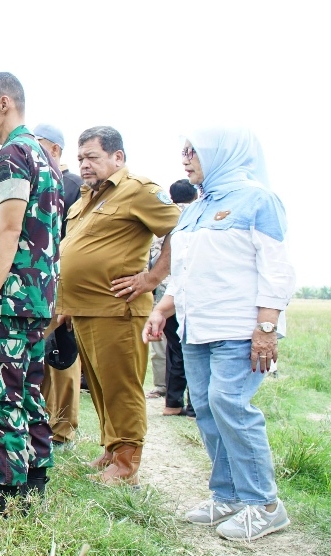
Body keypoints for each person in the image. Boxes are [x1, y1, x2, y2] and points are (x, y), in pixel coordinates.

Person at [144, 127, 295, 541]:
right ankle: (227, 496)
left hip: (239, 327)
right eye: (184, 151)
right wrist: (162, 308)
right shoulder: (196, 207)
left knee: (230, 403)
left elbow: (277, 268)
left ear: (222, 153)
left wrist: (266, 327)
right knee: (208, 409)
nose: (186, 158)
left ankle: (264, 504)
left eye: (195, 151)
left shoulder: (258, 200)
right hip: (197, 327)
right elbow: (184, 271)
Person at [56, 126, 180, 486]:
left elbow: (181, 230)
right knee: (99, 386)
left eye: (92, 157)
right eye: (80, 158)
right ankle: (111, 449)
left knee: (122, 388)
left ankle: (127, 463)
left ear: (117, 157)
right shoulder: (85, 199)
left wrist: (152, 279)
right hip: (84, 309)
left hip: (119, 309)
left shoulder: (137, 190)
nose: (85, 165)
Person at [0, 72, 63, 515]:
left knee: (0, 394)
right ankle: (35, 475)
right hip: (38, 299)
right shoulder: (45, 156)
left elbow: (10, 226)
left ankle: (5, 494)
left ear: (4, 103)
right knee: (29, 390)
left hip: (10, 299)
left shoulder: (11, 155)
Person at [32, 123, 83, 452]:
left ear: (54, 150)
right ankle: (45, 425)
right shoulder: (41, 181)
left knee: (63, 358)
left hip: (61, 285)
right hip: (38, 286)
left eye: (37, 147)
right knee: (42, 357)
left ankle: (63, 430)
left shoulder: (70, 184)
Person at [156, 179, 198, 417]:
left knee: (174, 348)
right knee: (193, 346)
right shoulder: (197, 216)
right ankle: (194, 404)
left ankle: (172, 403)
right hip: (188, 291)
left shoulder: (164, 217)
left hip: (164, 293)